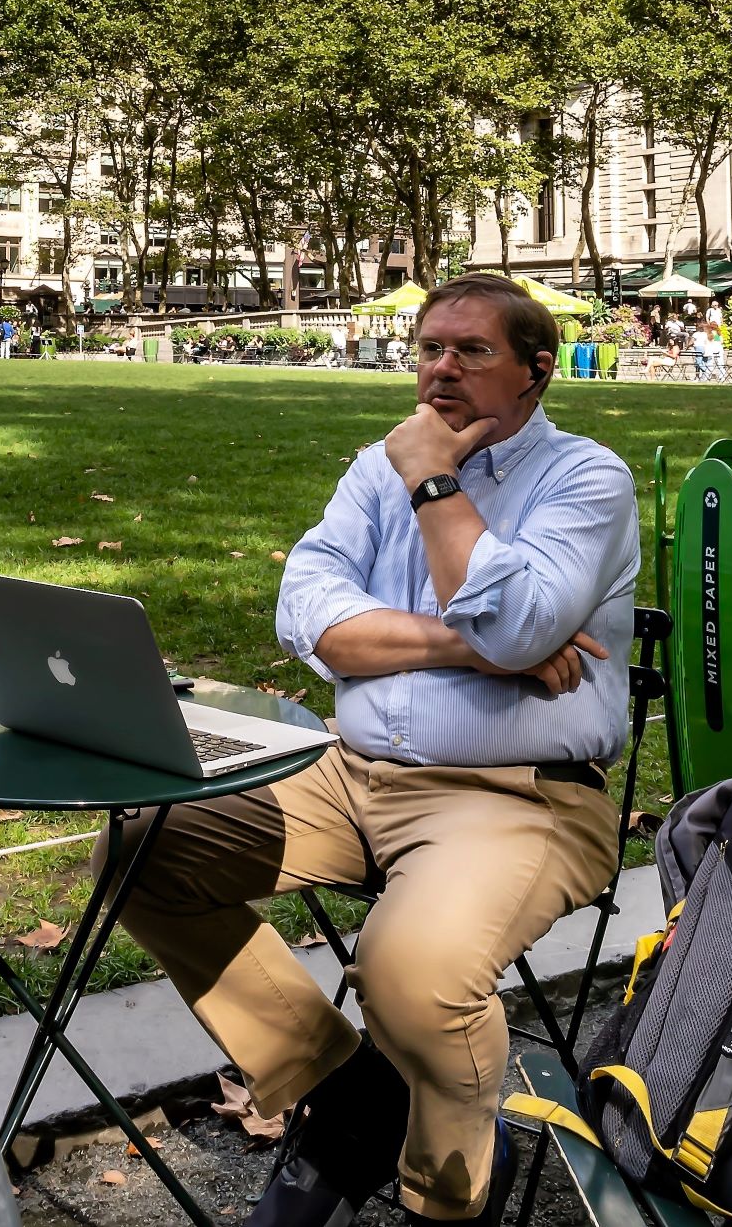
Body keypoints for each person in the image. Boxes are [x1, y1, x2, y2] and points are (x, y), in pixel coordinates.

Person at [96, 274, 638, 1227]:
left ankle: (447, 1191)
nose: (440, 369)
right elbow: (309, 613)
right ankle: (344, 1094)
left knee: (411, 970)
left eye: (470, 350)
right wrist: (469, 642)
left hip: (518, 795)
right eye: (429, 347)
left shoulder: (585, 478)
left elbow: (514, 617)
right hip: (349, 772)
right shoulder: (371, 465)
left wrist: (435, 480)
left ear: (536, 371)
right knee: (140, 840)